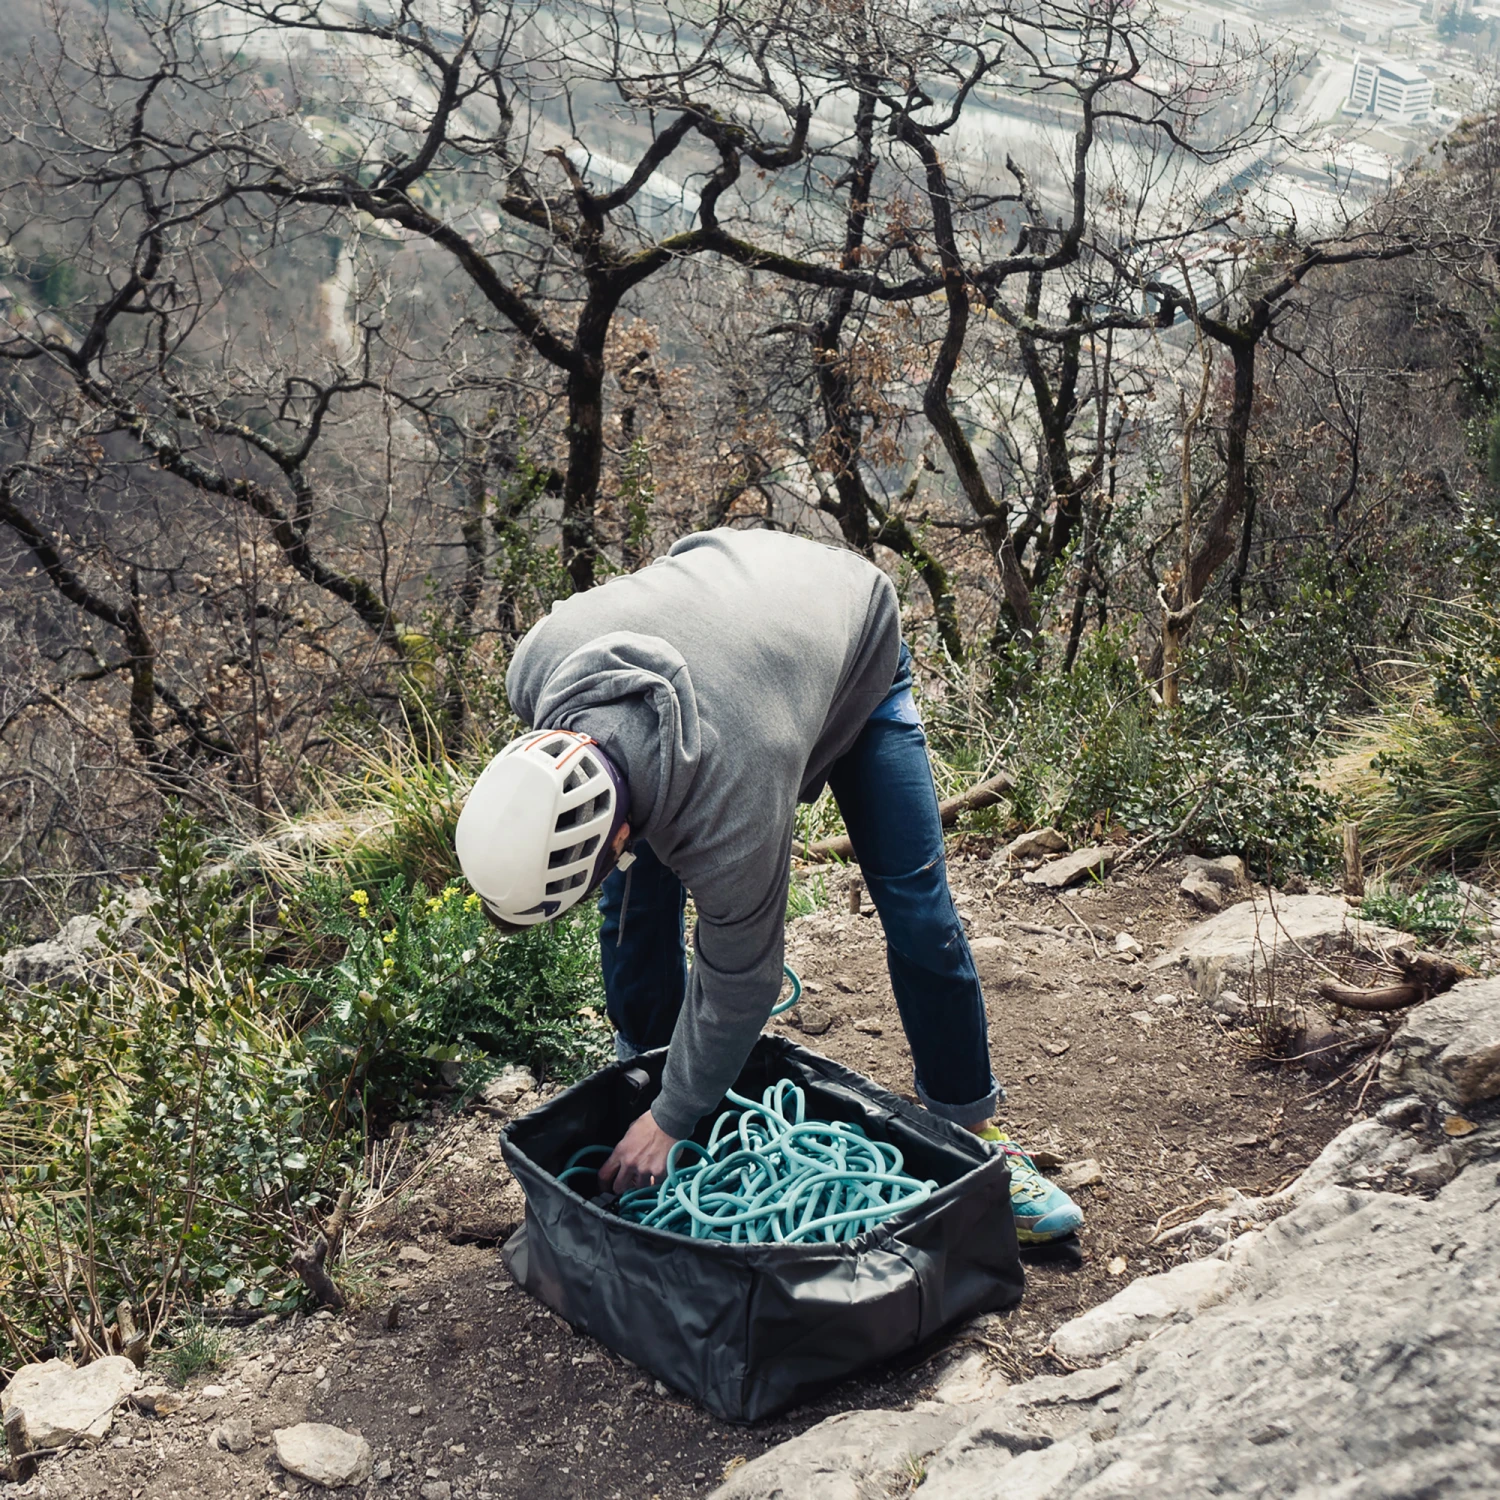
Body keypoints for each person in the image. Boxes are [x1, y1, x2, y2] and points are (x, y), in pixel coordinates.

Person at [455, 528, 1083, 1243]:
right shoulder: (537, 666)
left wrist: (674, 1118)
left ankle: (974, 1134)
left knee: (918, 912)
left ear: (617, 830)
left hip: (851, 640)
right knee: (633, 904)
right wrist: (663, 1099)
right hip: (737, 623)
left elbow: (741, 980)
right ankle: (651, 1084)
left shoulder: (732, 806)